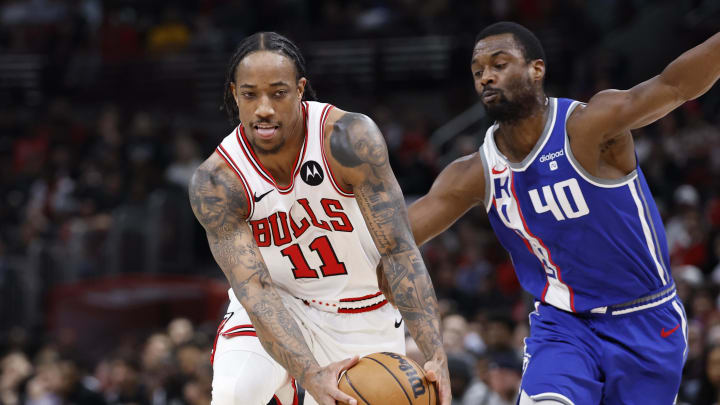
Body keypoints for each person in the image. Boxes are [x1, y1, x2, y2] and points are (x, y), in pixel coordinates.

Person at [403, 21, 720, 404]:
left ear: (537, 69)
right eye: (478, 71)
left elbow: (675, 85)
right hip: (564, 325)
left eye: (499, 64)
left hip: (646, 317)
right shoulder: (474, 173)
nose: (486, 76)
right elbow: (395, 239)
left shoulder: (589, 126)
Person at [188, 32, 450, 405]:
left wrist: (436, 354)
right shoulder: (217, 181)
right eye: (250, 94)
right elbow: (255, 290)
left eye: (278, 93)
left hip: (364, 310)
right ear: (234, 94)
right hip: (280, 301)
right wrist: (309, 372)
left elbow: (398, 250)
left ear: (300, 90)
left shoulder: (347, 138)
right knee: (236, 393)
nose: (264, 108)